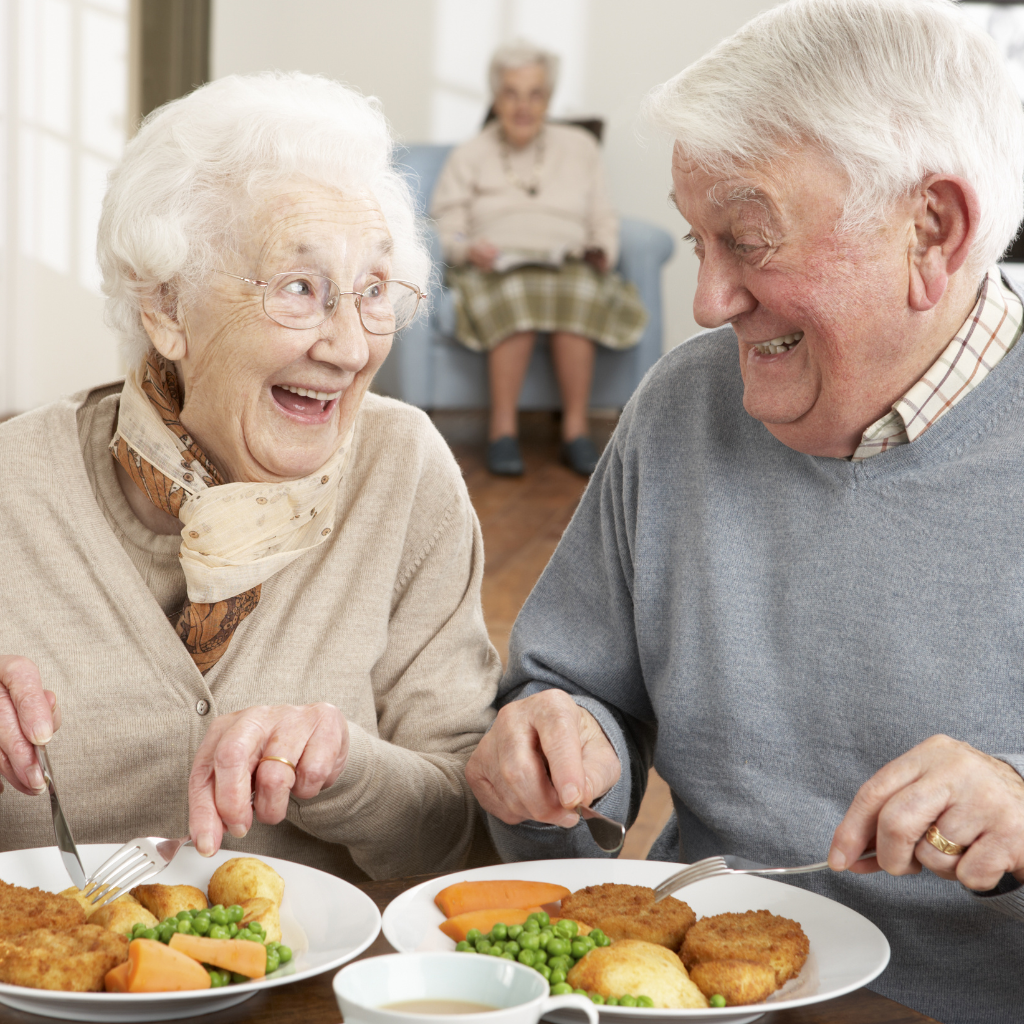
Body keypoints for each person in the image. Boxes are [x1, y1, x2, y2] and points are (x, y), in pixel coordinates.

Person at [464, 1, 1024, 1020]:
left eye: (750, 242)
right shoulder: (681, 405)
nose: (706, 300)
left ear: (930, 231)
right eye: (696, 240)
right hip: (692, 998)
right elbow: (566, 685)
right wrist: (550, 746)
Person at [0, 72, 502, 883]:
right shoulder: (13, 486)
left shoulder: (402, 471)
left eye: (373, 291)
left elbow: (458, 838)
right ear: (165, 306)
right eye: (299, 289)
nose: (347, 347)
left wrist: (347, 770)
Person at [431, 42, 647, 477]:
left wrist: (602, 249)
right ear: (496, 98)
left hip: (566, 260)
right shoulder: (469, 154)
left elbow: (603, 215)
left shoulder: (580, 147)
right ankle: (502, 432)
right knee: (516, 293)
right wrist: (467, 247)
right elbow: (445, 224)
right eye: (511, 93)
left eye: (535, 94)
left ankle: (575, 432)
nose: (523, 106)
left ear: (548, 99)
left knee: (580, 290)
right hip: (496, 265)